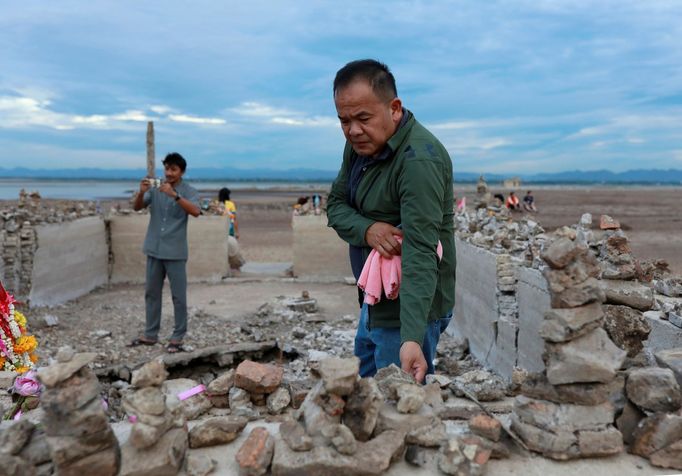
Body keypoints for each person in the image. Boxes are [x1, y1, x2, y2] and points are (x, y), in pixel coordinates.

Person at [327, 59, 456, 383]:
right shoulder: (359, 147)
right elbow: (336, 205)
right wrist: (367, 230)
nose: (353, 130)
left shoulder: (418, 161)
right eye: (344, 120)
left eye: (363, 118)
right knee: (366, 390)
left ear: (394, 108)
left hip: (409, 309)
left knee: (398, 405)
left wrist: (411, 337)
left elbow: (421, 251)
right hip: (375, 299)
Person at [130, 152, 200, 353]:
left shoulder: (188, 191)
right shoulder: (156, 188)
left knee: (178, 296)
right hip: (154, 249)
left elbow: (196, 211)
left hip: (176, 251)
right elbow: (137, 208)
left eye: (173, 169)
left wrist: (175, 195)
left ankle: (178, 337)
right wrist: (141, 192)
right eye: (167, 168)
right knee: (151, 293)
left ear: (182, 172)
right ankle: (150, 334)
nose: (169, 173)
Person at [218, 187, 245, 274]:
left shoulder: (217, 203)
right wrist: (237, 231)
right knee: (232, 248)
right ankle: (234, 267)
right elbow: (234, 219)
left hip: (220, 229)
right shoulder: (230, 204)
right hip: (229, 229)